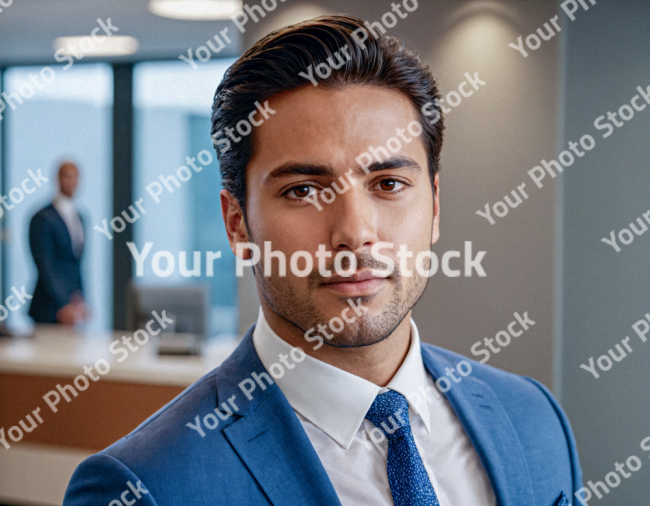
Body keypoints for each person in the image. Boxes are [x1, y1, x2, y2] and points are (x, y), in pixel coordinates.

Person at [64, 16, 581, 506]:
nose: (355, 232)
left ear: (435, 207)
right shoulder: (147, 484)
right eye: (304, 189)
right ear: (237, 224)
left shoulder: (534, 418)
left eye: (389, 184)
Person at [28, 161, 88, 325]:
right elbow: (45, 264)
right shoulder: (43, 217)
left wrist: (79, 298)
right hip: (48, 306)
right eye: (66, 176)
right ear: (57, 179)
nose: (71, 181)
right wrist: (63, 303)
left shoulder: (80, 217)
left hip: (72, 308)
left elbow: (76, 264)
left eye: (75, 176)